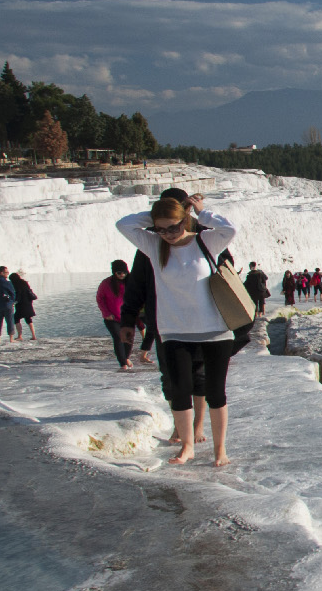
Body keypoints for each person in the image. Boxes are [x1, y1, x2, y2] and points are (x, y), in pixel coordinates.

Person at [116, 193, 238, 467]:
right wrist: (159, 215)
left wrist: (199, 213)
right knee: (180, 390)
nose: (168, 234)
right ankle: (187, 447)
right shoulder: (152, 245)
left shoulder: (206, 241)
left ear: (185, 220)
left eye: (174, 226)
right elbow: (123, 224)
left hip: (215, 330)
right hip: (174, 331)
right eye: (161, 228)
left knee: (216, 391)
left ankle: (220, 450)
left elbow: (230, 229)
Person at [97, 259, 132, 369]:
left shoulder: (131, 282)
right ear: (114, 272)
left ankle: (126, 357)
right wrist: (106, 313)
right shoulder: (106, 284)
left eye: (124, 273)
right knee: (118, 337)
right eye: (119, 273)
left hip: (127, 317)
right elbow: (100, 299)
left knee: (128, 339)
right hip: (111, 318)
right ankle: (122, 363)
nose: (122, 275)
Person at [11, 271, 38, 340]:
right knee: (28, 319)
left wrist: (13, 302)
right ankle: (33, 335)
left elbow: (17, 295)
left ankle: (20, 336)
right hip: (28, 302)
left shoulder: (15, 285)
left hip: (20, 304)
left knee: (16, 318)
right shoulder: (24, 283)